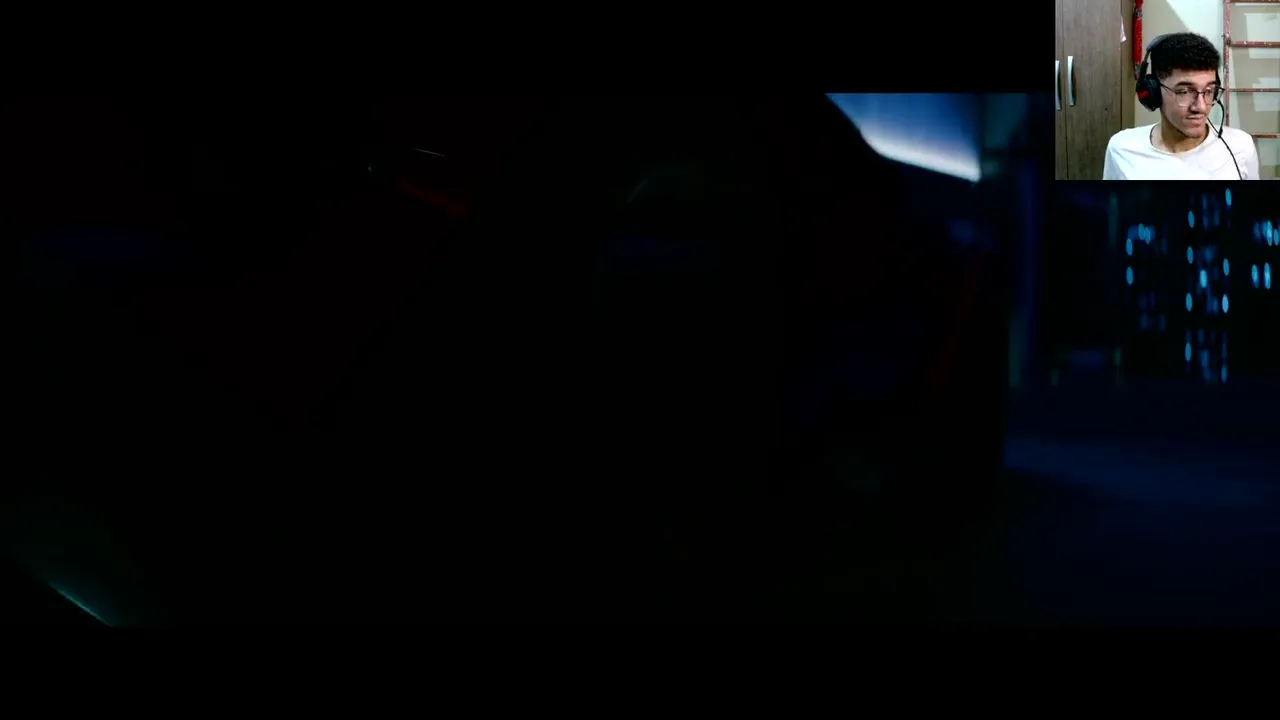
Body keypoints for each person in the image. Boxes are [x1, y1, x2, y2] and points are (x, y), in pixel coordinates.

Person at [1103, 32, 1260, 180]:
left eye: (1209, 91)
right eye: (1184, 92)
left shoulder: (1241, 147)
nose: (1201, 107)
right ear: (1154, 92)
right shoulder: (1122, 149)